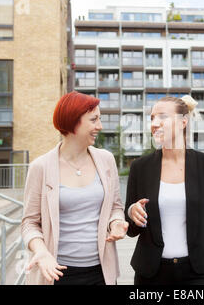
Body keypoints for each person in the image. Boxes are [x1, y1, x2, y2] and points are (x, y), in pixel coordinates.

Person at [21, 91, 128, 285]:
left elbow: (115, 206)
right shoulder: (41, 167)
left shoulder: (106, 160)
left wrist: (117, 222)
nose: (100, 126)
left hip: (101, 273)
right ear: (73, 122)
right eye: (94, 119)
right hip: (57, 273)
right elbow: (29, 222)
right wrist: (42, 252)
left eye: (100, 119)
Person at [125, 95, 204, 285]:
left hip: (197, 274)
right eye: (152, 118)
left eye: (162, 117)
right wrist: (132, 213)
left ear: (183, 122)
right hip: (151, 275)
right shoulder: (140, 167)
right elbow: (130, 229)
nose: (155, 124)